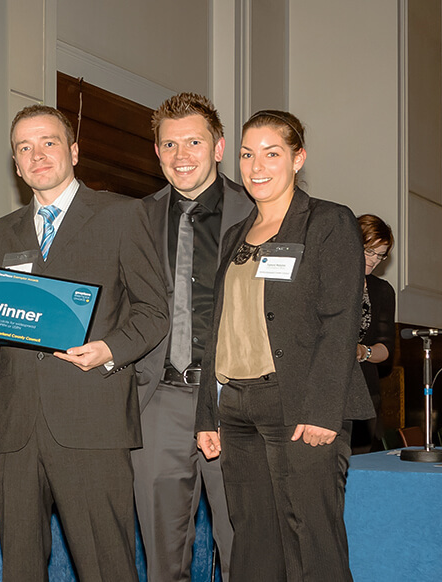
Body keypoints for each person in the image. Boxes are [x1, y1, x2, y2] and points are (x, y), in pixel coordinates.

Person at [0, 105, 169, 580]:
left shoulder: (124, 215)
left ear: (74, 151)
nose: (37, 154)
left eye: (48, 142)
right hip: (14, 427)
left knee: (107, 566)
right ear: (16, 164)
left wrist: (109, 350)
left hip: (92, 419)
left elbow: (154, 312)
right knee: (20, 568)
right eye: (24, 147)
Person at [195, 110, 374, 581]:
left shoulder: (328, 223)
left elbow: (341, 322)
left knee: (312, 543)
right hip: (235, 405)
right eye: (247, 154)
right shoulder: (237, 235)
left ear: (298, 158)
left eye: (272, 153)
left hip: (299, 405)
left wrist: (322, 410)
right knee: (252, 541)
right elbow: (220, 328)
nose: (257, 166)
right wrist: (206, 414)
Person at [131, 93, 246, 582]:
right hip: (159, 399)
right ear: (157, 152)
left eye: (194, 142)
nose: (182, 155)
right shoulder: (135, 218)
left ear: (219, 147)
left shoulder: (259, 210)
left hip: (236, 399)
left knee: (245, 542)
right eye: (170, 144)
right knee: (163, 555)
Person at [353, 214, 396, 452]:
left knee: (360, 463)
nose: (374, 260)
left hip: (365, 390)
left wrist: (363, 351)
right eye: (369, 251)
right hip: (326, 392)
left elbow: (385, 348)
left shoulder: (382, 291)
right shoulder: (327, 280)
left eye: (380, 255)